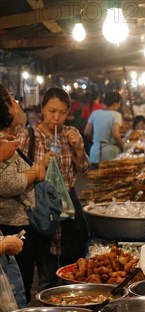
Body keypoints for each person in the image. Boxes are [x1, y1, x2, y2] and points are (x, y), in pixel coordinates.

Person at [17, 86, 89, 293]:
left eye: (63, 112)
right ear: (42, 109)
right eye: (51, 111)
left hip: (68, 213)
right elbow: (19, 177)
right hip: (42, 213)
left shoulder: (71, 133)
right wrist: (41, 163)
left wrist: (78, 148)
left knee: (73, 273)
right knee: (46, 277)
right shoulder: (27, 137)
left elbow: (83, 169)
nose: (57, 117)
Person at [0, 85, 47, 303]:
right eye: (12, 99)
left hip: (18, 223)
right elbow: (6, 182)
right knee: (17, 290)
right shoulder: (4, 142)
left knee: (21, 286)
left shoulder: (10, 139)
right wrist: (34, 174)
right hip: (11, 222)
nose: (18, 103)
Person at [84, 91, 124, 164]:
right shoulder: (116, 115)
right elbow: (116, 135)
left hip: (94, 150)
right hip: (110, 152)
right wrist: (122, 149)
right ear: (115, 104)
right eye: (119, 104)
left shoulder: (95, 113)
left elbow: (87, 132)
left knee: (94, 174)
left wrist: (97, 139)